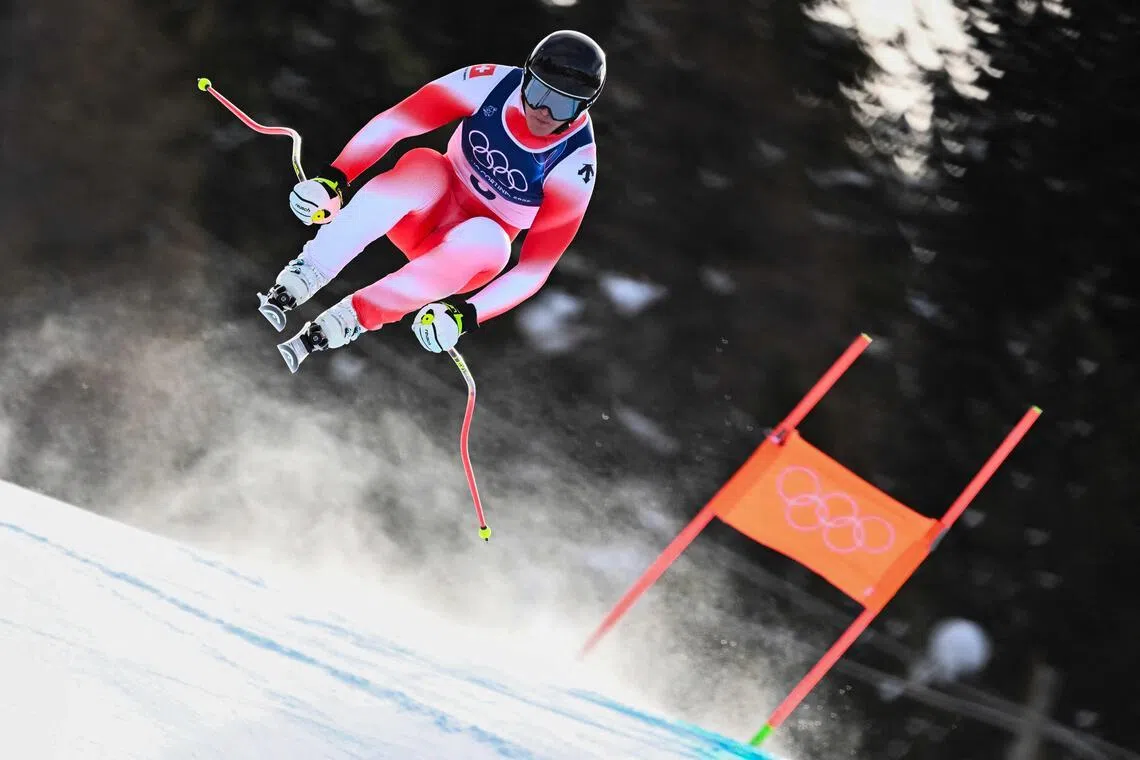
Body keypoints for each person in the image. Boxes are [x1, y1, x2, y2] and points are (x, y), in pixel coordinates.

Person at [261, 30, 605, 372]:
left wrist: (464, 315)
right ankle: (309, 271)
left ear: (583, 108)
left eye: (563, 105)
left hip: (460, 257)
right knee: (425, 163)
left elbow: (535, 268)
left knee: (492, 241)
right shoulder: (491, 84)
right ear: (525, 76)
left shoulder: (574, 163)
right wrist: (333, 178)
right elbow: (398, 121)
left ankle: (353, 316)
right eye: (538, 91)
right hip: (422, 211)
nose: (544, 111)